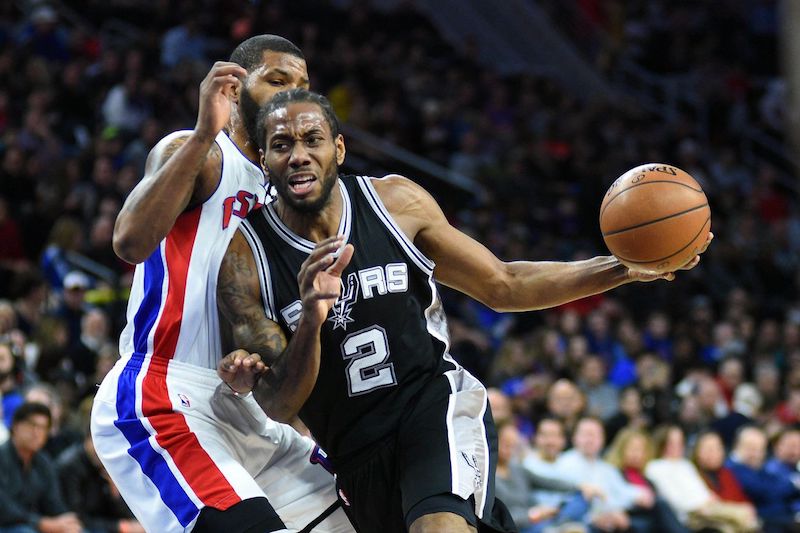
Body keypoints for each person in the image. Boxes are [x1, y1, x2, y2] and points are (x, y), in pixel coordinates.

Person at [215, 88, 711, 532]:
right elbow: (280, 405)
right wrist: (311, 317)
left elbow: (504, 284)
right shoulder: (245, 257)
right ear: (264, 160)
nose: (299, 155)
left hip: (430, 406)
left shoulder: (394, 202)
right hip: (354, 454)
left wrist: (621, 268)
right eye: (282, 145)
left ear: (338, 149)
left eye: (312, 140)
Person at [90, 37, 352, 533]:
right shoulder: (203, 154)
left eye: (301, 86)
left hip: (249, 409)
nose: (290, 95)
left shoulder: (291, 199)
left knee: (365, 512)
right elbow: (129, 242)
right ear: (235, 88)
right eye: (277, 80)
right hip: (166, 393)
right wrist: (203, 132)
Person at [0, 401, 83, 533]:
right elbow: (4, 508)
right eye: (32, 425)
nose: (36, 432)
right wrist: (39, 523)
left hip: (33, 523)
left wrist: (66, 520)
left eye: (43, 428)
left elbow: (53, 502)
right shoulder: (2, 456)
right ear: (15, 426)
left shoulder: (44, 462)